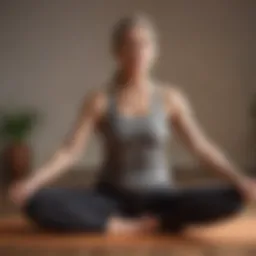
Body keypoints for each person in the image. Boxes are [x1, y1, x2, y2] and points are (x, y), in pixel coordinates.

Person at [9, 14, 256, 235]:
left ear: (154, 51)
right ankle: (123, 225)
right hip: (110, 198)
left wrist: (239, 179)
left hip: (161, 197)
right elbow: (69, 152)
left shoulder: (171, 98)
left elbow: (201, 147)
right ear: (117, 52)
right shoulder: (100, 99)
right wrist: (32, 183)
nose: (138, 51)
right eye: (130, 44)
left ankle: (157, 220)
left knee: (234, 198)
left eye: (144, 44)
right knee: (36, 202)